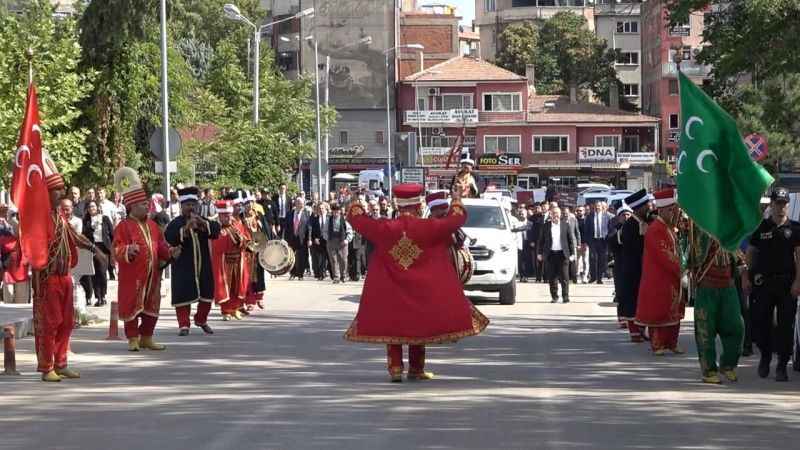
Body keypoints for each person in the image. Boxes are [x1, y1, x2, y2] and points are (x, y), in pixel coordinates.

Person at [344, 183, 488, 382]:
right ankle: (416, 369)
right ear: (419, 206)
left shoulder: (384, 228)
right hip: (420, 289)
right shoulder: (430, 227)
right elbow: (456, 219)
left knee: (394, 326)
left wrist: (354, 200)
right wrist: (455, 198)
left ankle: (395, 369)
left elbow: (357, 219)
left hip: (392, 289)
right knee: (418, 325)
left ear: (398, 205)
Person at [33, 158, 101, 381]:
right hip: (48, 279)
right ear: (47, 193)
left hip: (65, 277)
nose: (60, 194)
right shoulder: (40, 219)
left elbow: (75, 237)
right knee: (50, 323)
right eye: (56, 191)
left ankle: (61, 363)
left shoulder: (60, 217)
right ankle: (47, 367)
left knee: (67, 321)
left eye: (61, 190)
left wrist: (94, 249)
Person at [112, 167, 178, 351]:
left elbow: (161, 245)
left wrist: (171, 251)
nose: (146, 207)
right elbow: (116, 249)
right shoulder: (123, 227)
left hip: (153, 276)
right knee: (132, 306)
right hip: (133, 277)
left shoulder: (153, 225)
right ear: (132, 207)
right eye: (142, 204)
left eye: (146, 204)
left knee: (152, 307)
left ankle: (147, 337)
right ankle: (133, 338)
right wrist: (127, 250)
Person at [742, 187, 800, 381]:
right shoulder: (762, 227)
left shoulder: (795, 229)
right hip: (763, 283)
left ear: (788, 205)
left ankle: (782, 365)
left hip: (787, 283)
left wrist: (798, 281)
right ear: (772, 204)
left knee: (786, 326)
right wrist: (746, 277)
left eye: (784, 204)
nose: (780, 207)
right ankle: (765, 357)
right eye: (777, 204)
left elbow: (799, 258)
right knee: (760, 323)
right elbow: (750, 253)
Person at [683, 225, 746, 384]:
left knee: (737, 327)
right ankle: (708, 370)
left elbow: (738, 258)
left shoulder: (729, 229)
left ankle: (728, 365)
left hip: (728, 288)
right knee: (705, 331)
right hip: (707, 288)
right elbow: (691, 257)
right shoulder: (698, 227)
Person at [164, 187, 221, 336]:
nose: (191, 208)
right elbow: (169, 237)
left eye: (193, 205)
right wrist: (185, 229)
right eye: (187, 205)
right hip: (184, 265)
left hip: (204, 264)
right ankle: (183, 325)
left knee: (207, 292)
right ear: (182, 206)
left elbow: (216, 231)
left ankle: (201, 320)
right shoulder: (176, 222)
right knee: (183, 294)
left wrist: (204, 224)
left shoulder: (202, 220)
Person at [635, 188, 684, 355]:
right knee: (659, 311)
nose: (676, 214)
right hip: (660, 278)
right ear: (663, 210)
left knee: (674, 311)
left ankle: (672, 342)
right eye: (672, 210)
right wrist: (680, 268)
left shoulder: (669, 227)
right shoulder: (656, 229)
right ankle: (658, 343)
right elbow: (664, 255)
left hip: (671, 278)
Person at [616, 190, 652, 342]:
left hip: (643, 268)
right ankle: (635, 333)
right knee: (632, 300)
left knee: (642, 300)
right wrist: (645, 236)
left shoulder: (643, 222)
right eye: (647, 206)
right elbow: (634, 247)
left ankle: (642, 329)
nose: (650, 208)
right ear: (639, 208)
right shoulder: (631, 225)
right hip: (632, 269)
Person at [211, 200, 249, 321]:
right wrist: (228, 238)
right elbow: (216, 246)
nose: (228, 218)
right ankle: (226, 311)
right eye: (225, 216)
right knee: (226, 286)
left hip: (238, 261)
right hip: (224, 262)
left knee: (237, 286)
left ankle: (235, 309)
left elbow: (246, 239)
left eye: (229, 215)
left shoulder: (237, 224)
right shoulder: (216, 228)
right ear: (220, 216)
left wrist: (241, 240)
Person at [538, 206, 576, 303]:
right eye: (554, 213)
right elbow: (541, 241)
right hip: (550, 254)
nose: (556, 215)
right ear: (550, 214)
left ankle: (565, 297)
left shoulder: (565, 225)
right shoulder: (546, 226)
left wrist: (572, 253)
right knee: (552, 277)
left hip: (563, 255)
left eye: (557, 213)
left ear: (560, 214)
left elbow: (570, 240)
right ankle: (554, 297)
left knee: (564, 277)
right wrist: (539, 253)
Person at [81, 200, 113, 307]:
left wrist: (113, 249)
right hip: (92, 248)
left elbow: (112, 234)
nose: (91, 208)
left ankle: (103, 295)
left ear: (97, 207)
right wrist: (91, 228)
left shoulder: (105, 218)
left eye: (93, 206)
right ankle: (98, 297)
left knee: (102, 273)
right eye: (89, 207)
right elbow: (84, 234)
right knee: (94, 273)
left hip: (103, 248)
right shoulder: (86, 220)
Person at [607, 206, 633, 329]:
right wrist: (622, 232)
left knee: (633, 291)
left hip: (633, 265)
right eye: (624, 215)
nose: (626, 217)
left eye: (628, 215)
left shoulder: (636, 228)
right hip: (620, 266)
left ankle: (633, 317)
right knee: (621, 293)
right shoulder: (615, 229)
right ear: (619, 217)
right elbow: (611, 242)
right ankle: (622, 317)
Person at [241, 192, 267, 310]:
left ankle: (259, 297)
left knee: (259, 274)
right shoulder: (240, 217)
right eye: (246, 203)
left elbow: (266, 230)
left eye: (251, 202)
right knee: (248, 275)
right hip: (246, 249)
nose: (249, 205)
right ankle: (249, 301)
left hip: (258, 247)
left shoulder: (259, 215)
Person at [586, 201, 614, 284]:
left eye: (599, 206)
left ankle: (599, 278)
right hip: (593, 240)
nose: (597, 207)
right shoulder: (590, 216)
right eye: (596, 206)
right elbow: (586, 230)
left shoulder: (607, 216)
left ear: (602, 207)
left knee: (602, 260)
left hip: (603, 240)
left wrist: (609, 238)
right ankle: (593, 277)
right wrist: (588, 241)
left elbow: (610, 228)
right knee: (593, 259)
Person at [325, 203, 353, 284]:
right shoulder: (329, 219)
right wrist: (327, 238)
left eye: (337, 211)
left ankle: (343, 276)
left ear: (340, 211)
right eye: (334, 211)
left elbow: (350, 231)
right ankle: (336, 277)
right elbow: (325, 231)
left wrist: (347, 240)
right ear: (332, 211)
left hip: (342, 241)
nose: (335, 213)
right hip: (331, 241)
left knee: (343, 259)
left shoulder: (344, 220)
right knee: (333, 260)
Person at [284, 197, 311, 280]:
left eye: (301, 203)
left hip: (302, 239)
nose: (299, 204)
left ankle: (300, 274)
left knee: (302, 257)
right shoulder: (289, 213)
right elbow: (286, 227)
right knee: (291, 257)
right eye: (298, 202)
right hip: (291, 238)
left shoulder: (306, 214)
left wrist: (309, 239)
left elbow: (309, 228)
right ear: (295, 204)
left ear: (303, 204)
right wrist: (284, 238)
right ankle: (292, 273)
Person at [562, 207, 581, 283]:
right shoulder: (560, 221)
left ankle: (574, 278)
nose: (565, 215)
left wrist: (579, 243)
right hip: (564, 243)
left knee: (573, 260)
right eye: (564, 213)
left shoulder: (574, 220)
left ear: (569, 213)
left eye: (567, 213)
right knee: (565, 260)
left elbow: (577, 232)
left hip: (573, 243)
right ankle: (567, 277)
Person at [575, 206, 589, 284]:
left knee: (585, 261)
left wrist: (587, 243)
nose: (579, 212)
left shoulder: (587, 220)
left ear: (584, 211)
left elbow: (589, 232)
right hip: (577, 244)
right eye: (578, 211)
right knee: (577, 261)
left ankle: (585, 276)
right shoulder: (574, 220)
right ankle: (577, 276)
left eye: (581, 210)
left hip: (585, 243)